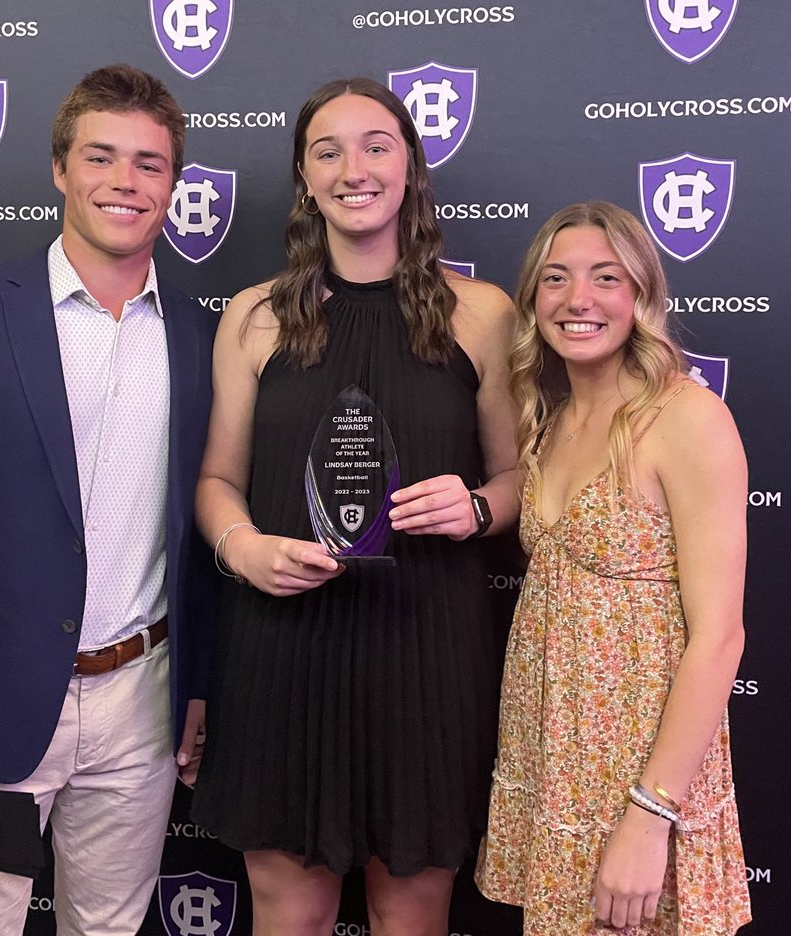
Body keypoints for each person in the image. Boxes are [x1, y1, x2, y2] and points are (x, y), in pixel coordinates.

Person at [0, 64, 217, 935]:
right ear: (60, 169)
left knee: (110, 928)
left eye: (149, 164)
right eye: (101, 157)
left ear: (173, 184)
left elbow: (199, 527)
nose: (124, 183)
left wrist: (199, 684)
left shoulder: (206, 335)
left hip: (142, 703)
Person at [188, 77, 522, 935]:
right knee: (288, 913)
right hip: (283, 648)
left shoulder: (480, 314)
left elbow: (524, 482)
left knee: (409, 913)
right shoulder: (254, 317)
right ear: (304, 179)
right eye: (327, 150)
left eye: (376, 145)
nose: (354, 168)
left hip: (427, 649)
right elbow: (217, 481)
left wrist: (477, 509)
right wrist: (243, 548)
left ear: (410, 165)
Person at [475, 201, 751, 934]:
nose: (578, 300)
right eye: (556, 279)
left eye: (606, 278)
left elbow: (720, 637)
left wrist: (650, 814)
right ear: (534, 299)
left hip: (641, 776)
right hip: (557, 764)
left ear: (642, 296)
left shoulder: (686, 418)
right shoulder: (552, 417)